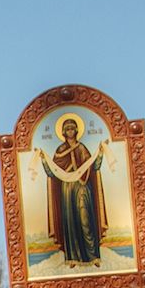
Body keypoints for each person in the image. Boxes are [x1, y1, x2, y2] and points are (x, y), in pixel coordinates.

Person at [40, 113, 105, 265]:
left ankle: (93, 255)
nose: (70, 131)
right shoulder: (60, 150)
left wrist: (100, 154)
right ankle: (72, 258)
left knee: (85, 218)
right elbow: (52, 171)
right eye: (67, 129)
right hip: (67, 190)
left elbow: (94, 166)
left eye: (72, 128)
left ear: (76, 130)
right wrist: (44, 160)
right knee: (70, 221)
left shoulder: (82, 148)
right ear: (63, 132)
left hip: (82, 187)